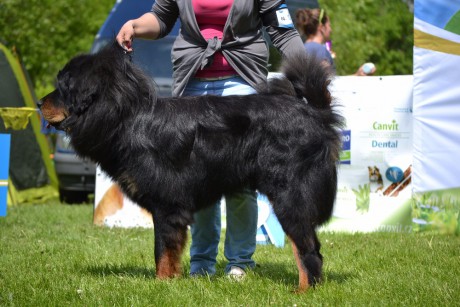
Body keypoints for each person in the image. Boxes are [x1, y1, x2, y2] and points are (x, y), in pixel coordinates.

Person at [116, 0, 305, 278]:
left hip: (242, 82)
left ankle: (239, 263)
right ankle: (201, 263)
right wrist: (134, 25)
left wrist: (307, 73)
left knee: (240, 179)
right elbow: (161, 18)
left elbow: (283, 30)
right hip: (192, 81)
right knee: (197, 180)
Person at [295, 8, 376, 76]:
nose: (331, 30)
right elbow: (328, 86)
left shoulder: (300, 50)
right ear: (321, 27)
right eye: (329, 25)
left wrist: (356, 75)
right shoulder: (320, 51)